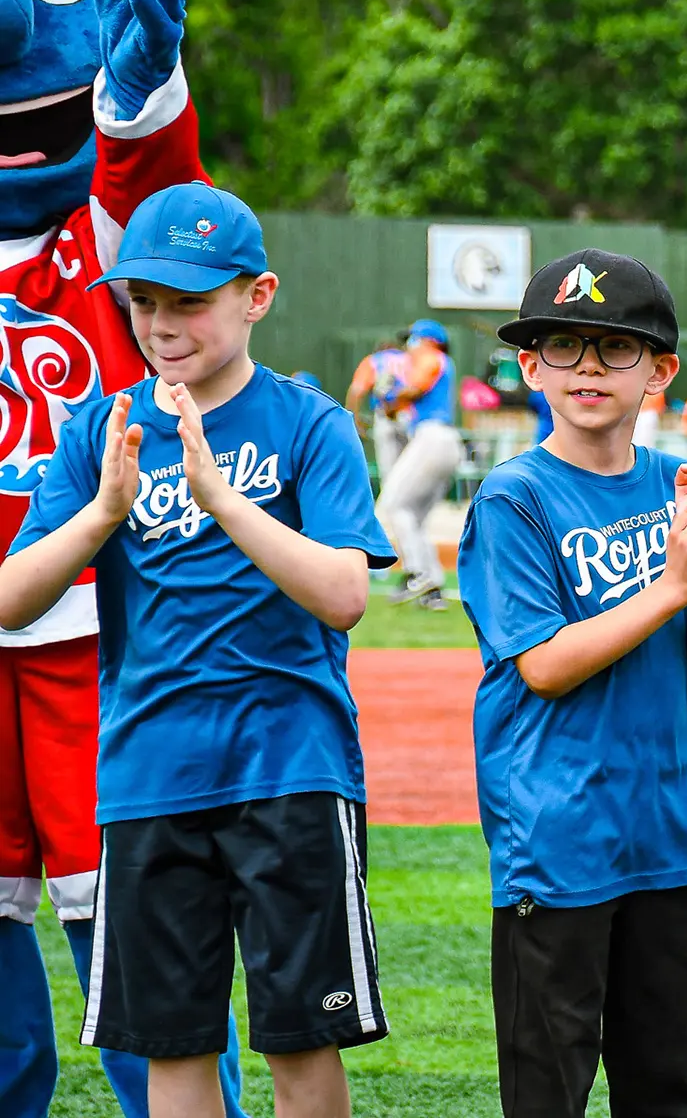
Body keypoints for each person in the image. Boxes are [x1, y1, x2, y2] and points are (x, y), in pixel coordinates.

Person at [0, 182, 395, 1118]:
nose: (163, 325)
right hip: (149, 780)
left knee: (303, 1041)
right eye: (144, 302)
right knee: (174, 1048)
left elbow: (345, 596)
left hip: (290, 775)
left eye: (191, 302)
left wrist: (224, 499)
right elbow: (13, 601)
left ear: (256, 297)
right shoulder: (103, 428)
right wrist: (100, 514)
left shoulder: (309, 423)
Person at [458, 249, 687, 1118]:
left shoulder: (679, 484)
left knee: (672, 1089)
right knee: (550, 1091)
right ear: (528, 366)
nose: (587, 365)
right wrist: (669, 581)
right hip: (561, 838)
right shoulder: (516, 498)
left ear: (660, 371)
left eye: (615, 347)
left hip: (676, 833)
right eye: (563, 344)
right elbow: (543, 665)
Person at [377, 318, 461, 611]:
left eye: (412, 339)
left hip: (434, 437)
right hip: (438, 440)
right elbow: (397, 407)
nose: (408, 346)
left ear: (426, 339)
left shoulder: (432, 356)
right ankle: (433, 587)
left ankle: (416, 573)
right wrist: (389, 399)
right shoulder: (431, 360)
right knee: (414, 517)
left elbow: (415, 388)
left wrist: (392, 390)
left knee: (393, 504)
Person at [345, 332, 412, 485]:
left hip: (385, 415)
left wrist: (354, 423)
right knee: (412, 469)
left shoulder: (374, 361)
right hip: (410, 415)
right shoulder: (409, 359)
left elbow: (356, 391)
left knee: (388, 471)